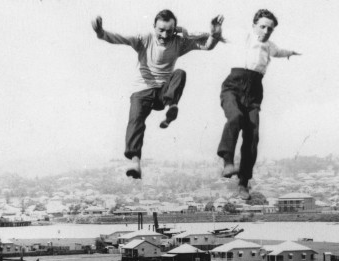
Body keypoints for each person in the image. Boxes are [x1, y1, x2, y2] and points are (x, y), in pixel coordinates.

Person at [92, 10, 224, 179]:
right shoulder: (144, 39)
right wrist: (100, 32)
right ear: (154, 26)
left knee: (180, 73)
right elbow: (119, 38)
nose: (164, 35)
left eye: (169, 31)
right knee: (136, 120)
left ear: (175, 29)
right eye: (161, 30)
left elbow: (207, 46)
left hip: (163, 92)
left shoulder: (178, 42)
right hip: (142, 90)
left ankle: (171, 106)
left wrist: (215, 34)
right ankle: (135, 161)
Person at [217, 9, 300, 200]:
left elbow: (279, 52)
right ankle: (228, 161)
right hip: (233, 87)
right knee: (235, 117)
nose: (265, 31)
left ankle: (243, 182)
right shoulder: (243, 36)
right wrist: (215, 30)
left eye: (269, 29)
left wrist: (292, 53)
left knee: (252, 135)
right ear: (254, 25)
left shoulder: (270, 46)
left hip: (254, 92)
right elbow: (219, 36)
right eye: (262, 27)